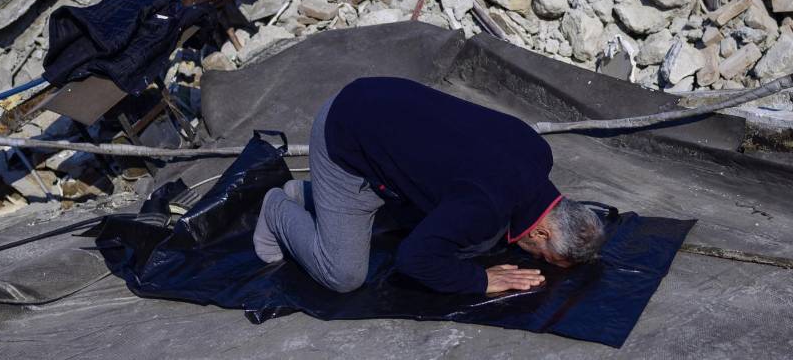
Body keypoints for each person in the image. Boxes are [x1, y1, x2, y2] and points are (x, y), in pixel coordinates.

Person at [253, 77, 607, 295]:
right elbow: (414, 259)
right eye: (543, 257)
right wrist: (479, 281)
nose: (536, 259)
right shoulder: (485, 206)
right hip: (345, 140)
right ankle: (276, 209)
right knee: (343, 275)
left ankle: (310, 196)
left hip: (382, 98)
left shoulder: (538, 152)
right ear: (543, 233)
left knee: (473, 234)